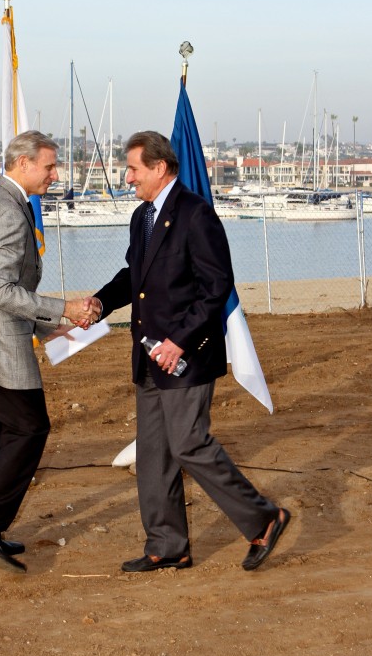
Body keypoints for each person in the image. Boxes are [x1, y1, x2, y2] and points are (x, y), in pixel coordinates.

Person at [87, 131, 290, 573]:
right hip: (148, 356)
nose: (128, 177)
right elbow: (133, 276)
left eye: (133, 168)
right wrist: (101, 302)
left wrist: (180, 339)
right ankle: (167, 545)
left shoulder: (196, 214)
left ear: (159, 168)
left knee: (189, 444)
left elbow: (216, 286)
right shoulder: (141, 216)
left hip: (185, 355)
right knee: (154, 455)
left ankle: (263, 517)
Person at [0, 131, 97, 573]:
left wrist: (50, 323)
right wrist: (62, 310)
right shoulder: (11, 214)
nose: (55, 174)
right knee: (30, 430)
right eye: (49, 166)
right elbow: (2, 291)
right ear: (23, 164)